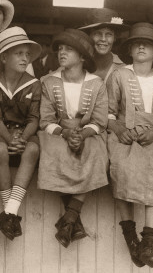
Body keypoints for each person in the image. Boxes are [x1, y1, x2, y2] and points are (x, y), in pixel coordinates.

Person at [107, 22, 153, 268]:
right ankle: (130, 236)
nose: (141, 47)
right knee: (120, 165)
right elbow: (108, 111)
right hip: (124, 133)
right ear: (130, 49)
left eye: (147, 44)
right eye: (136, 43)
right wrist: (118, 129)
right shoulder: (119, 76)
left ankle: (148, 239)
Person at [37, 29, 109, 249]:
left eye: (69, 49)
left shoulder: (97, 84)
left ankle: (69, 218)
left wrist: (82, 134)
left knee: (95, 152)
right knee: (56, 151)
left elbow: (99, 121)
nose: (62, 53)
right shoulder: (49, 82)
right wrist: (66, 133)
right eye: (60, 49)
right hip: (58, 131)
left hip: (88, 132)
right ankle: (72, 220)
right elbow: (46, 119)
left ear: (83, 57)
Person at [0, 27, 41, 240]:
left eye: (27, 54)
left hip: (26, 132)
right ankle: (11, 214)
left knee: (33, 150)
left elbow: (34, 118)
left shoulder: (34, 84)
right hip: (1, 132)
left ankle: (10, 212)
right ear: (4, 57)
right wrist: (10, 139)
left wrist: (23, 139)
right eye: (19, 53)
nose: (25, 58)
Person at [79, 8, 129, 82]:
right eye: (97, 33)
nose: (103, 39)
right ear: (89, 36)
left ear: (114, 38)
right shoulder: (78, 65)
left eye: (109, 34)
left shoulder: (124, 70)